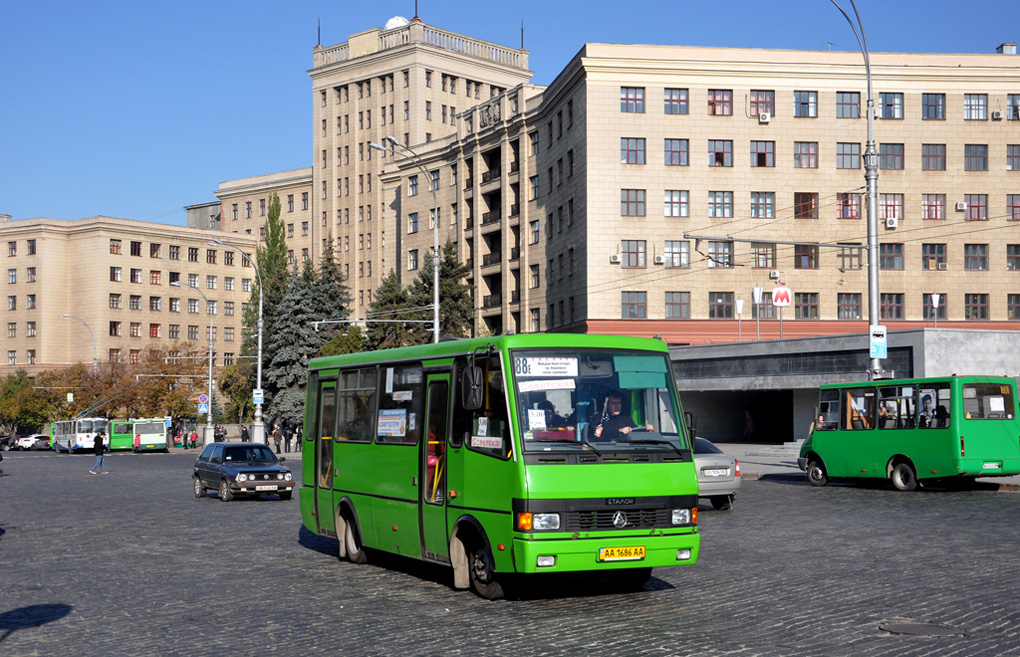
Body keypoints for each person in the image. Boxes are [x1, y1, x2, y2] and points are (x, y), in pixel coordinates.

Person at [589, 390, 654, 441]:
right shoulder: (598, 418)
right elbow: (598, 434)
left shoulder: (626, 418)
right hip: (605, 451)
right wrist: (619, 431)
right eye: (613, 403)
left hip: (625, 450)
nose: (617, 406)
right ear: (605, 404)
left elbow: (635, 431)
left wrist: (645, 429)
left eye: (619, 403)